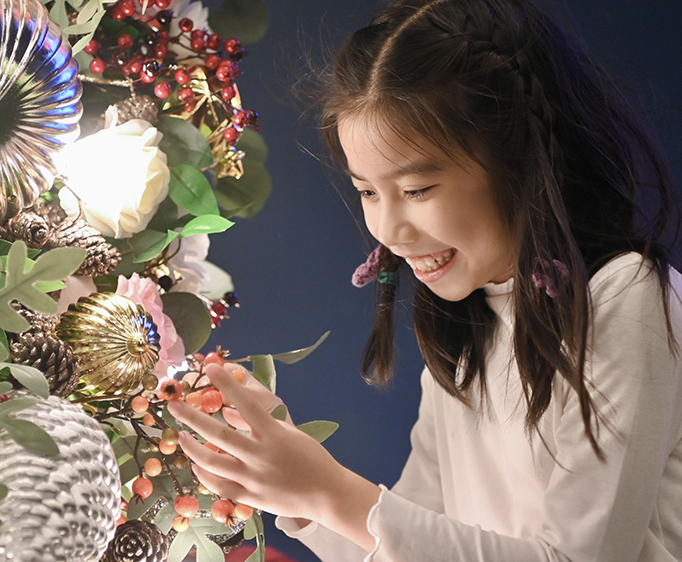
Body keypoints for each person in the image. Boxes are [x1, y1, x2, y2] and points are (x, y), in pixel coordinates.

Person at [167, 0, 682, 559]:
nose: (389, 230)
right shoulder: (468, 327)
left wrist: (327, 490)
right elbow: (405, 544)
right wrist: (292, 485)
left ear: (519, 161)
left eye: (416, 190)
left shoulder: (624, 298)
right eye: (367, 192)